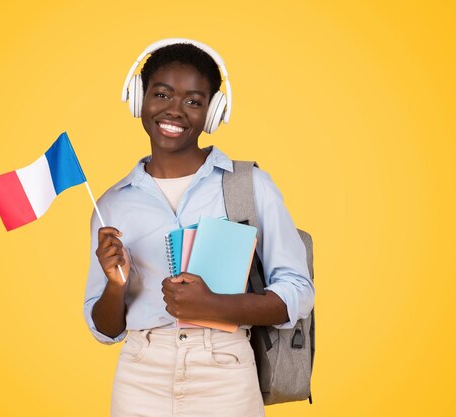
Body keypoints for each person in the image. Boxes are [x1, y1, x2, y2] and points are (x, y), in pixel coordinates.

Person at [83, 39, 314, 417]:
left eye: (193, 101)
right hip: (140, 372)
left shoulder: (249, 185)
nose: (175, 111)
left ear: (213, 112)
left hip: (225, 369)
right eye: (161, 94)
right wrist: (116, 284)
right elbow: (106, 330)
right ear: (139, 98)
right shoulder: (112, 204)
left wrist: (215, 306)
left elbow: (299, 291)